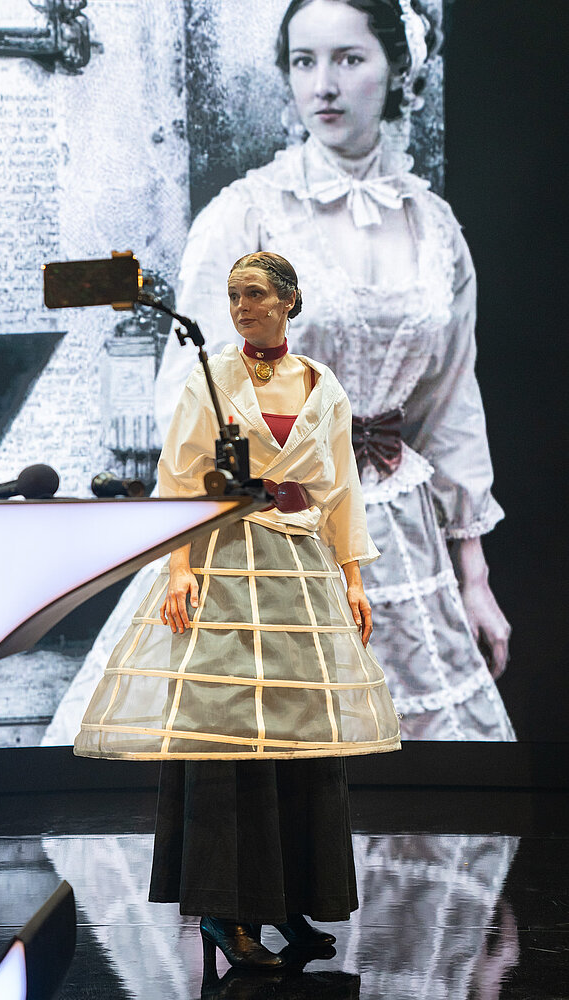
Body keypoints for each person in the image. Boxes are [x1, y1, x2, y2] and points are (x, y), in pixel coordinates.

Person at [151, 0, 515, 741]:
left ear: (396, 68)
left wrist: (474, 578)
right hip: (269, 528)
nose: (323, 85)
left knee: (407, 763)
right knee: (279, 748)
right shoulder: (247, 216)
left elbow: (450, 405)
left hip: (396, 532)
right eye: (303, 61)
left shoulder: (433, 228)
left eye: (349, 59)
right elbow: (190, 399)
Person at [75, 251, 400, 968]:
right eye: (232, 295)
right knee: (226, 737)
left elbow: (340, 487)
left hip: (297, 569)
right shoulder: (212, 375)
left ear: (289, 300)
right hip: (225, 562)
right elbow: (180, 475)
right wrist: (179, 568)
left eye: (254, 294)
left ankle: (289, 903)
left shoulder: (321, 384)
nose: (241, 307)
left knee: (298, 738)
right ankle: (225, 912)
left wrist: (352, 577)